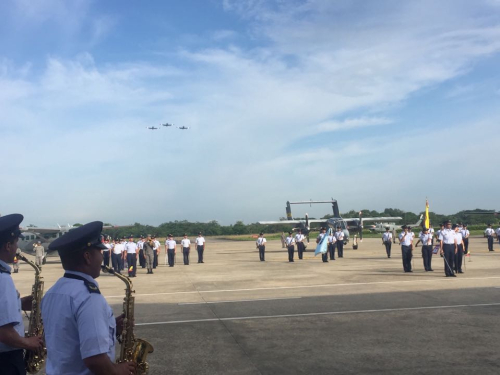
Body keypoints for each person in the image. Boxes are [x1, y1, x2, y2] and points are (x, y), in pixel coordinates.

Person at [41, 221, 136, 375]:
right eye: (99, 252)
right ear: (87, 257)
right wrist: (118, 371)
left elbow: (68, 336)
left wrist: (109, 327)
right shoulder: (88, 297)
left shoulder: (53, 292)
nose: (102, 257)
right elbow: (95, 359)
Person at [0, 214, 44, 375]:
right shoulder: (3, 279)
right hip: (6, 360)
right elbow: (4, 332)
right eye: (16, 242)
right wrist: (27, 343)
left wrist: (19, 303)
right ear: (7, 246)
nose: (17, 247)